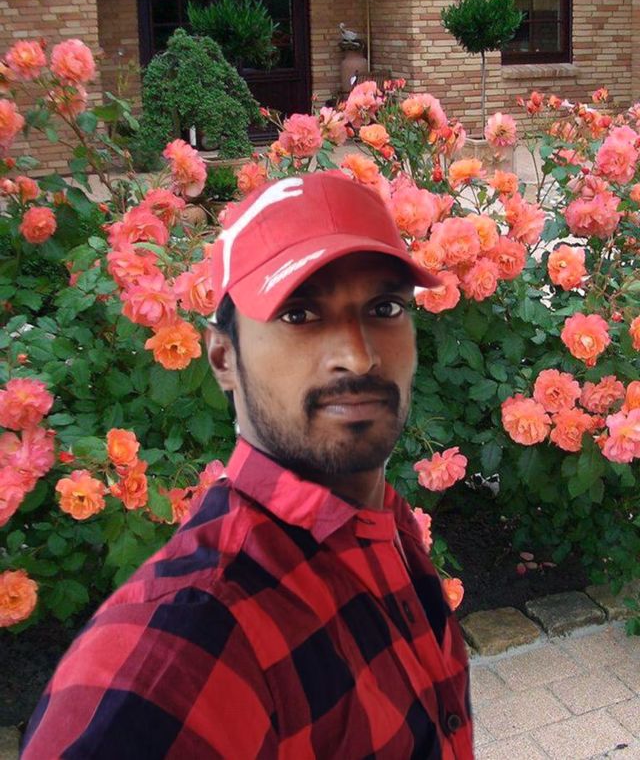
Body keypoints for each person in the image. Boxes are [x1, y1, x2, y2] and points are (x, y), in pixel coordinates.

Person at [22, 172, 473, 759]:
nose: (358, 356)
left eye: (384, 307)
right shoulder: (180, 647)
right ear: (223, 357)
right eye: (299, 315)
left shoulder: (384, 526)